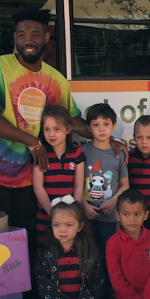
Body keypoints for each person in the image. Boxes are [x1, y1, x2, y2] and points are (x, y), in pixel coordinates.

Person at [0, 8, 125, 247]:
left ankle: (28, 286)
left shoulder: (56, 80)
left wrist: (107, 139)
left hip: (30, 174)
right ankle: (1, 286)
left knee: (26, 237)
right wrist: (34, 143)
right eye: (21, 34)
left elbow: (73, 121)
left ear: (46, 37)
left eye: (34, 34)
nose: (27, 40)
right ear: (15, 38)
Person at [34, 198, 111, 299]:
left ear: (80, 226)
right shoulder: (47, 255)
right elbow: (44, 286)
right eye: (57, 225)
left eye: (69, 225)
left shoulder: (90, 253)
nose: (62, 230)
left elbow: (98, 282)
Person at [81, 103, 129, 299]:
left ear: (114, 126)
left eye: (106, 124)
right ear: (88, 127)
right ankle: (90, 291)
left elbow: (125, 186)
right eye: (96, 124)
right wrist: (84, 205)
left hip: (110, 216)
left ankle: (108, 291)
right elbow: (75, 184)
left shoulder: (119, 154)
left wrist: (114, 201)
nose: (101, 129)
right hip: (86, 215)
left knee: (107, 255)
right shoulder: (82, 152)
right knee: (87, 254)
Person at [106, 189, 150, 299]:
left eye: (137, 214)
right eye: (126, 214)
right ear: (118, 215)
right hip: (128, 297)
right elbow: (116, 280)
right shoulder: (113, 243)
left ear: (145, 215)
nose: (132, 219)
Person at [33, 105, 86, 247]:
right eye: (47, 129)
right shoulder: (41, 153)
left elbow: (79, 185)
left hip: (70, 216)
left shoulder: (76, 152)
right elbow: (38, 187)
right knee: (45, 250)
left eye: (57, 129)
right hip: (46, 215)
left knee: (69, 248)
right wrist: (53, 214)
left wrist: (74, 212)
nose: (51, 134)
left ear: (68, 130)